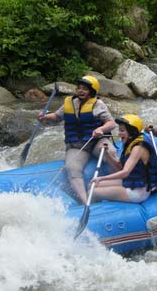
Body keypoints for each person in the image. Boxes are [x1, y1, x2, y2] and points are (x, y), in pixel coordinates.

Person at [38, 75, 117, 204]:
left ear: (91, 91)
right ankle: (85, 201)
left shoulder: (98, 104)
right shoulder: (69, 102)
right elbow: (57, 117)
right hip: (77, 145)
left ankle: (122, 182)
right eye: (79, 88)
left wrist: (101, 129)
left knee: (111, 152)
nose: (81, 91)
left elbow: (111, 123)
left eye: (85, 89)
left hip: (96, 140)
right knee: (72, 168)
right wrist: (44, 117)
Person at [90, 114, 157, 203]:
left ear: (132, 132)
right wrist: (106, 154)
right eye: (119, 130)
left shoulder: (138, 148)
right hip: (130, 181)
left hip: (138, 191)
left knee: (92, 191)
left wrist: (101, 178)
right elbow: (120, 167)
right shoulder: (130, 142)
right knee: (92, 185)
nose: (119, 133)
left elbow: (125, 172)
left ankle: (94, 211)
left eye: (122, 130)